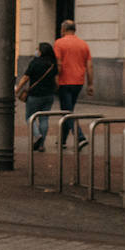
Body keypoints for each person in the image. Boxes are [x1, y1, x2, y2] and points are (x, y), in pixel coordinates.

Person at [53, 20, 93, 149]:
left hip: (64, 82)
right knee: (68, 110)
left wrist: (56, 79)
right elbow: (89, 66)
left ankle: (80, 137)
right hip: (78, 82)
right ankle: (62, 140)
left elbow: (58, 64)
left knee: (67, 112)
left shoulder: (59, 43)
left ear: (63, 29)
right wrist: (90, 84)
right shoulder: (83, 44)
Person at [17, 43, 58, 152]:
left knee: (29, 117)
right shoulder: (53, 63)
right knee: (44, 118)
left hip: (35, 95)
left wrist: (17, 89)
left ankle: (38, 135)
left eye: (37, 49)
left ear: (41, 52)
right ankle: (41, 145)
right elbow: (57, 80)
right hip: (49, 95)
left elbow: (25, 78)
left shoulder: (35, 62)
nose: (36, 51)